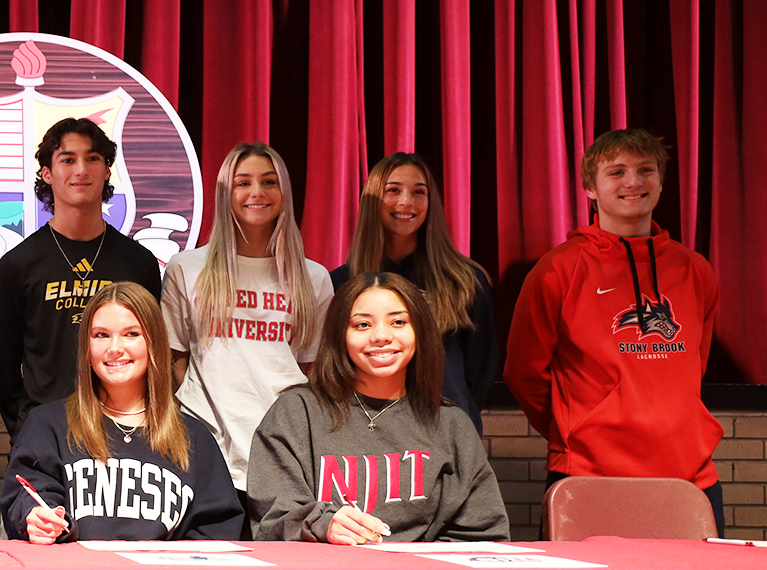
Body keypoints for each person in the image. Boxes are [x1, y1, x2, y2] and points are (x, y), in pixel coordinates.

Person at [504, 128, 723, 532]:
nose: (633, 182)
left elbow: (696, 363)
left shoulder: (695, 270)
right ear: (590, 187)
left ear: (660, 182)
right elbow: (523, 372)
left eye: (646, 170)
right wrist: (576, 428)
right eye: (617, 171)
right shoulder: (558, 270)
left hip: (689, 481)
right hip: (589, 479)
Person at [247, 272, 508, 543]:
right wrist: (321, 524)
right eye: (362, 325)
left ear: (420, 332)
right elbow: (272, 519)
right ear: (339, 335)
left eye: (398, 322)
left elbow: (483, 534)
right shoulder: (296, 413)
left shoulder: (451, 425)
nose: (381, 336)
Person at [1, 282, 245, 542]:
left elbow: (218, 530)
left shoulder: (194, 438)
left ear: (154, 343)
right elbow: (26, 494)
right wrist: (36, 516)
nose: (114, 348)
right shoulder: (48, 425)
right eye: (101, 335)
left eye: (131, 334)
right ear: (87, 347)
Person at [162, 142, 332, 510]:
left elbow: (307, 367)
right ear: (226, 192)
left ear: (283, 191)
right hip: (205, 443)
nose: (257, 192)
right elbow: (172, 358)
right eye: (243, 183)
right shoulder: (186, 269)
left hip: (282, 445)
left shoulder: (313, 277)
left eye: (269, 182)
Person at [0, 117, 163, 438]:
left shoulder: (140, 264)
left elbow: (153, 358)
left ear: (107, 171)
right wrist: (26, 429)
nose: (81, 170)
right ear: (48, 174)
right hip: (44, 435)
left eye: (93, 158)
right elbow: (2, 368)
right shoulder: (17, 266)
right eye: (67, 159)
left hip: (124, 432)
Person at [330, 152, 497, 433]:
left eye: (418, 192)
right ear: (373, 200)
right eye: (393, 191)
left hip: (445, 432)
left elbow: (480, 368)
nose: (406, 202)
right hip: (366, 435)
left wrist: (452, 405)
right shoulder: (342, 282)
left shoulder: (464, 280)